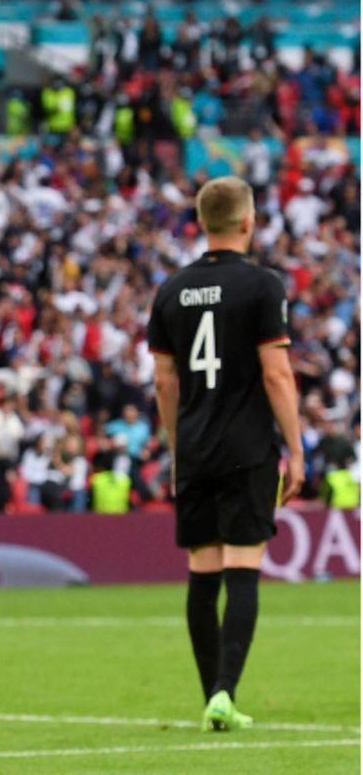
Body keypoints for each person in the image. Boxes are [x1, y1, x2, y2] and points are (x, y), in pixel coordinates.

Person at [147, 175, 303, 733]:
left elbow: (165, 382)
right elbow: (276, 373)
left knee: (201, 570)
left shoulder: (170, 290)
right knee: (243, 567)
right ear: (247, 221)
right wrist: (298, 449)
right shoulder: (262, 286)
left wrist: (176, 450)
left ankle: (214, 696)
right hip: (246, 448)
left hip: (194, 448)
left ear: (200, 221)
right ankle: (224, 692)